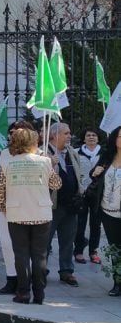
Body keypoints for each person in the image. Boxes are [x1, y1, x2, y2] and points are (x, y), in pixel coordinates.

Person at [0, 128, 61, 304]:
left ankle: (23, 293)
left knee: (21, 255)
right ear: (34, 143)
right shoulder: (45, 161)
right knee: (40, 255)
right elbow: (56, 184)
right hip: (41, 213)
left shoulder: (7, 164)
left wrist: (3, 209)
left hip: (16, 214)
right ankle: (39, 294)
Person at [0, 120, 38, 295]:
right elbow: (0, 180)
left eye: (18, 131)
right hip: (8, 206)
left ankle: (28, 280)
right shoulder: (5, 153)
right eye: (11, 131)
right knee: (7, 243)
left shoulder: (40, 155)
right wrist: (0, 204)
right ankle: (12, 278)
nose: (13, 134)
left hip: (31, 206)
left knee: (29, 246)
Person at [47, 123, 86, 287]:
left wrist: (80, 192)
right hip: (51, 205)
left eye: (69, 133)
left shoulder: (72, 152)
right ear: (54, 135)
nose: (70, 136)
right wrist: (49, 163)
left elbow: (78, 174)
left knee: (68, 240)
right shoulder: (43, 153)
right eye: (66, 133)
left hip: (71, 205)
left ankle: (67, 271)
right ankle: (40, 269)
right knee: (44, 240)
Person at [85, 126, 121, 296]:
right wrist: (95, 172)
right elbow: (94, 174)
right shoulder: (107, 157)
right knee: (115, 249)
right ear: (114, 139)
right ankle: (118, 283)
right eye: (120, 136)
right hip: (108, 210)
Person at [75, 127, 103, 265]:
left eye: (94, 135)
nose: (91, 137)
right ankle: (78, 251)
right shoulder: (76, 152)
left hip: (98, 193)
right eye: (88, 135)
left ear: (98, 138)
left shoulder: (105, 153)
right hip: (82, 193)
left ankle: (93, 251)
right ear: (84, 138)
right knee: (80, 223)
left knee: (96, 224)